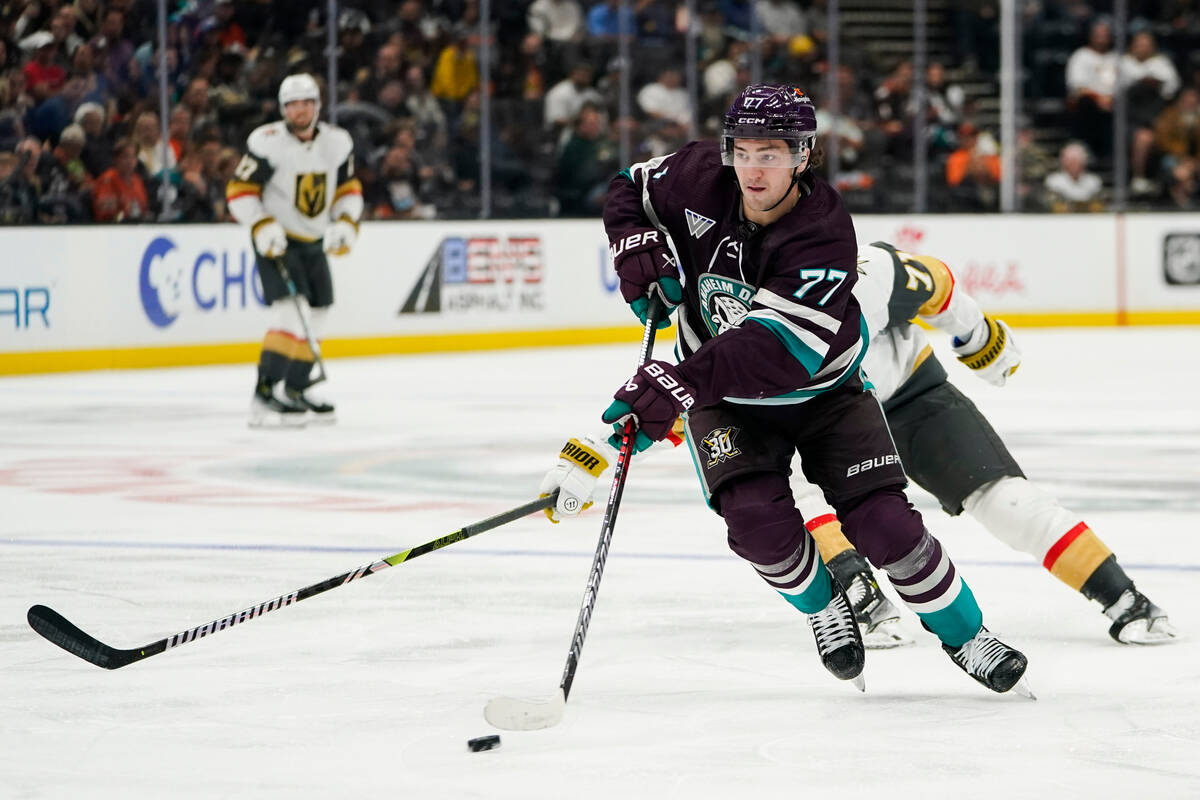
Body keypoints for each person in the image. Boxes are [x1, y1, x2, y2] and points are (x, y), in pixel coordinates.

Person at [546, 83, 1031, 695]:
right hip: (726, 405)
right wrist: (637, 248)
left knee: (886, 526)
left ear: (803, 155)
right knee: (755, 526)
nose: (752, 167)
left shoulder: (823, 231)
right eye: (742, 150)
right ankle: (827, 609)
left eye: (770, 153)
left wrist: (675, 385)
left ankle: (966, 637)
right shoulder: (698, 174)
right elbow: (628, 187)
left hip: (824, 393)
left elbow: (776, 350)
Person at [544, 239, 1177, 649]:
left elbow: (935, 283)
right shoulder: (717, 320)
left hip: (903, 394)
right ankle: (852, 589)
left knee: (1002, 500)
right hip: (811, 415)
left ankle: (1118, 592)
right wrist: (592, 463)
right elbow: (670, 404)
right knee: (781, 489)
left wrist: (978, 336)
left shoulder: (863, 273)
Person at [225, 73, 362, 428]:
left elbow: (348, 187)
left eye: (306, 103)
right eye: (292, 105)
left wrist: (346, 222)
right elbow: (239, 191)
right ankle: (264, 394)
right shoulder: (267, 142)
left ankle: (296, 387)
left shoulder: (337, 142)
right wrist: (260, 224)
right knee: (290, 312)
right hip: (278, 240)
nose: (299, 111)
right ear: (283, 108)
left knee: (319, 311)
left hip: (314, 240)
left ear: (317, 105)